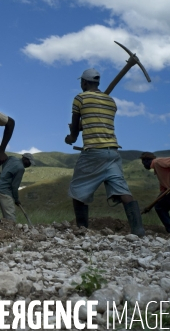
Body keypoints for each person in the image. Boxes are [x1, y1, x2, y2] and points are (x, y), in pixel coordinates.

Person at [64, 67, 145, 237]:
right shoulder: (111, 101)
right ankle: (138, 230)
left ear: (84, 82)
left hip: (93, 151)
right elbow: (98, 120)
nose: (81, 84)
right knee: (123, 191)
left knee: (78, 189)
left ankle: (82, 230)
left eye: (81, 82)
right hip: (113, 152)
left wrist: (70, 137)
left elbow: (74, 134)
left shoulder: (79, 98)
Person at [0, 153, 35, 222]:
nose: (29, 164)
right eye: (29, 162)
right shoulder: (21, 168)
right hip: (4, 191)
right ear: (24, 158)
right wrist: (16, 199)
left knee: (6, 216)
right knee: (10, 217)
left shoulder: (12, 158)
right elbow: (15, 186)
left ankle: (6, 231)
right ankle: (12, 232)